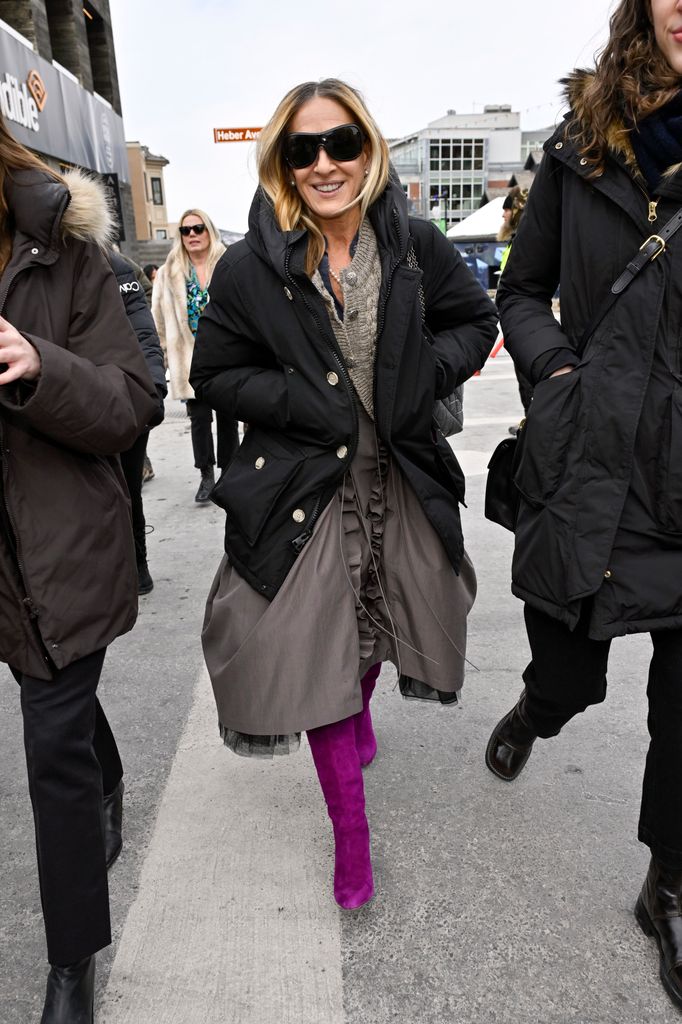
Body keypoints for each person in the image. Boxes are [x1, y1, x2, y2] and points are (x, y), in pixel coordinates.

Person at [190, 78, 498, 910]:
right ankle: (351, 836)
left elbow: (477, 321)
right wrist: (300, 402)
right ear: (282, 164)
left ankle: (360, 712)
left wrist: (424, 375)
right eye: (303, 149)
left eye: (341, 143)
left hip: (397, 470)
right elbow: (212, 372)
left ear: (369, 148)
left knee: (382, 621)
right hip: (304, 482)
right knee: (319, 642)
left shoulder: (414, 245)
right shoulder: (252, 266)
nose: (324, 163)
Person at [485, 0, 682, 1009]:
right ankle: (541, 705)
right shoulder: (578, 150)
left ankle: (670, 886)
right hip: (591, 459)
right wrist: (554, 371)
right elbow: (519, 290)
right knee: (572, 669)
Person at [0, 123, 157, 1021]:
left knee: (47, 737)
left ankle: (71, 964)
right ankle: (107, 771)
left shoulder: (65, 250)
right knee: (49, 683)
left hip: (58, 546)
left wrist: (36, 366)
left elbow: (132, 399)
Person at [151, 211, 238, 502]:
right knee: (199, 419)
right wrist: (161, 353)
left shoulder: (229, 263)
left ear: (209, 230)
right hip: (190, 359)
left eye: (198, 228)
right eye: (186, 230)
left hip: (226, 356)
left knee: (227, 417)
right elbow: (158, 320)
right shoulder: (169, 271)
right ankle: (206, 475)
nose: (192, 234)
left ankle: (229, 472)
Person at [110, 250, 167, 593]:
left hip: (126, 394)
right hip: (69, 393)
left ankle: (137, 561)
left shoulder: (118, 267)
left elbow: (144, 333)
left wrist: (153, 390)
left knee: (129, 486)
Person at [496, 186, 532, 430]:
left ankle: (534, 421)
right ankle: (530, 419)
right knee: (524, 377)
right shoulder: (516, 240)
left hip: (525, 319)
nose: (503, 215)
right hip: (515, 317)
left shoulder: (525, 240)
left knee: (529, 376)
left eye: (506, 209)